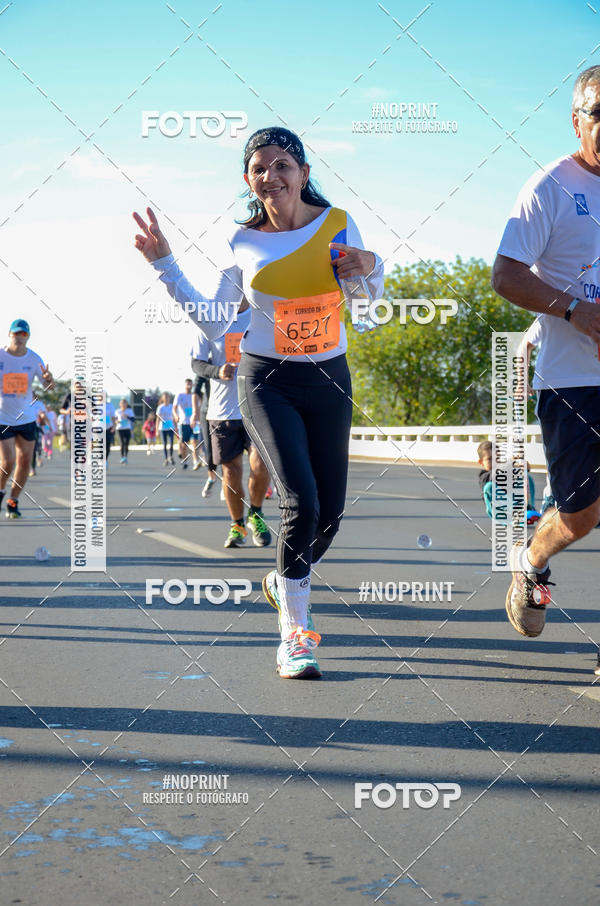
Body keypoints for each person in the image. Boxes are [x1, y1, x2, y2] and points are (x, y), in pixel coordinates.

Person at [133, 126, 383, 679]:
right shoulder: (242, 242)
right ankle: (294, 636)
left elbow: (366, 306)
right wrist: (164, 264)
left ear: (304, 173)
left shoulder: (338, 223)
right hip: (266, 379)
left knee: (330, 513)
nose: (271, 176)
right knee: (299, 501)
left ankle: (282, 579)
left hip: (329, 377)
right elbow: (216, 323)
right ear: (249, 181)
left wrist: (372, 268)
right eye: (259, 169)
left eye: (281, 166)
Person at [492, 65, 600, 672]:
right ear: (578, 119)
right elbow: (505, 276)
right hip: (572, 378)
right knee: (581, 515)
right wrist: (572, 309)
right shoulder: (550, 186)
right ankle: (530, 563)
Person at [191, 299, 272, 549]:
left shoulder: (263, 316)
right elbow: (196, 363)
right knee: (231, 472)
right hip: (222, 411)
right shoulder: (209, 323)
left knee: (261, 466)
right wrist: (218, 372)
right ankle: (237, 525)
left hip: (258, 407)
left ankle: (255, 514)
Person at [0, 319, 54, 517]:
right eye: (17, 334)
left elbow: (49, 386)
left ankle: (13, 500)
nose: (20, 338)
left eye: (24, 334)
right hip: (3, 418)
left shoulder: (34, 359)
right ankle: (0, 491)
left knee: (25, 461)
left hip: (26, 418)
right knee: (7, 461)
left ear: (28, 336)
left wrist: (49, 380)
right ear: (10, 334)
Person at [174, 378, 196, 469]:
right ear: (184, 385)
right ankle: (185, 460)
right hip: (184, 423)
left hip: (194, 423)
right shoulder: (180, 395)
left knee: (195, 442)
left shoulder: (194, 396)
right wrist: (175, 415)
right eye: (187, 384)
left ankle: (196, 461)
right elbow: (174, 408)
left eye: (190, 384)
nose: (189, 386)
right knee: (184, 443)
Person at [156, 392, 175, 465]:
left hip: (171, 427)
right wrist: (157, 430)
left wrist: (176, 426)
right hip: (163, 428)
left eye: (168, 397)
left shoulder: (172, 406)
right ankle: (166, 458)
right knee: (164, 444)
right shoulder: (160, 407)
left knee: (171, 443)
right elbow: (158, 419)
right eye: (165, 397)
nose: (167, 398)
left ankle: (171, 457)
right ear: (163, 399)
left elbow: (174, 417)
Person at [116, 398, 135, 463]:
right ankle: (122, 457)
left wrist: (127, 417)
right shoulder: (117, 411)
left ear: (126, 404)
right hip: (120, 429)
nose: (123, 404)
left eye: (125, 403)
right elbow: (114, 420)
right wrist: (117, 421)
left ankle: (125, 457)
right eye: (122, 403)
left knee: (126, 443)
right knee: (122, 443)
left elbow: (133, 420)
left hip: (127, 428)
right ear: (120, 404)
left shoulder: (129, 411)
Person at [104, 393, 116, 463]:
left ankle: (105, 460)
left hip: (108, 428)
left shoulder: (110, 405)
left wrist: (114, 426)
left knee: (107, 445)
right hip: (97, 428)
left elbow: (113, 417)